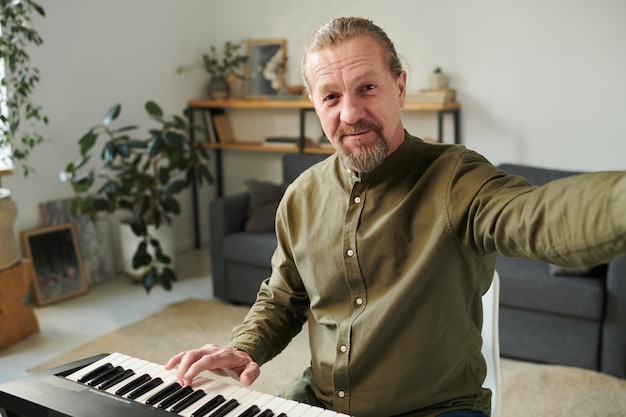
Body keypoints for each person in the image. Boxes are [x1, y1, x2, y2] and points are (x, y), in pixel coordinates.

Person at [166, 17, 626, 417]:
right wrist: (244, 346)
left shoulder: (454, 176)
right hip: (320, 399)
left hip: (436, 409)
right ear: (315, 106)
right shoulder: (300, 196)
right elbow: (284, 298)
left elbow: (533, 215)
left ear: (399, 87)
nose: (350, 113)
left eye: (367, 87)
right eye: (330, 97)